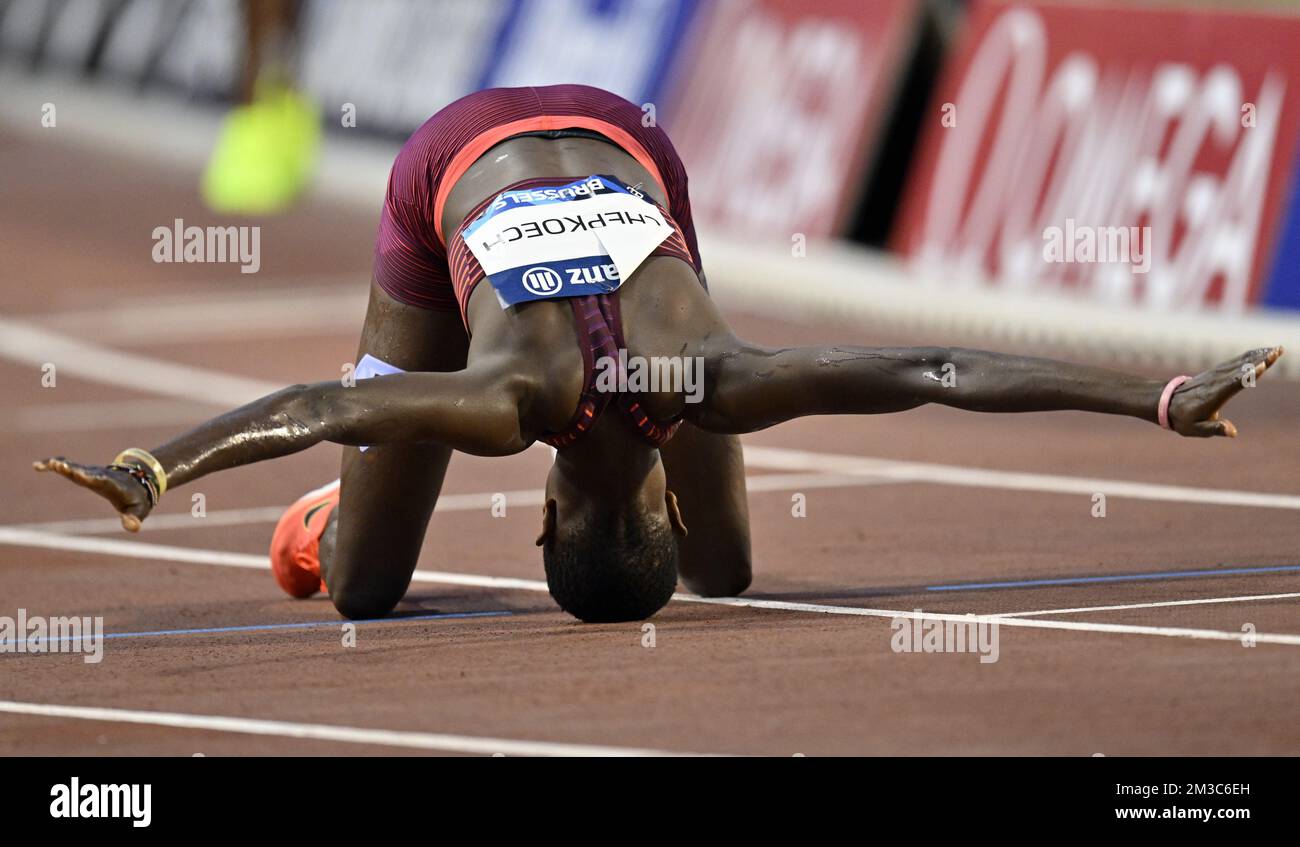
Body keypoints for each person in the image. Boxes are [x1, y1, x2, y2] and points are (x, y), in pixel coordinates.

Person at [35, 85, 1284, 624]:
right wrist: (149, 470)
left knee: (712, 572)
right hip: (493, 152)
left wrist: (1164, 395)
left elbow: (932, 371)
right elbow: (317, 406)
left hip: (603, 145)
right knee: (357, 584)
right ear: (539, 521)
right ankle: (355, 493)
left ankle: (376, 468)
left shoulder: (694, 388)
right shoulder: (515, 402)